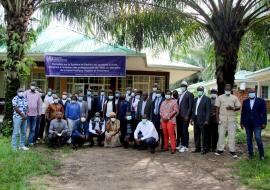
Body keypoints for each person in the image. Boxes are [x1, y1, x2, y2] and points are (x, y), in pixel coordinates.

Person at [241, 89, 267, 160]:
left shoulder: (261, 101)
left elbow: (264, 112)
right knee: (249, 139)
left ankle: (261, 155)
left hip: (257, 123)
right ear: (248, 94)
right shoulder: (245, 102)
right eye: (249, 93)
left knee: (258, 138)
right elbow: (243, 113)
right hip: (247, 123)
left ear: (255, 93)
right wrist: (241, 122)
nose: (251, 94)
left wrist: (264, 123)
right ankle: (251, 154)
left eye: (252, 93)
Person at [215, 84, 241, 158]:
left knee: (232, 135)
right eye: (226, 90)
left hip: (231, 119)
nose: (227, 91)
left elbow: (238, 107)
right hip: (222, 119)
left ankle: (232, 150)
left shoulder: (234, 97)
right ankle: (220, 149)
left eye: (229, 90)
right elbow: (217, 109)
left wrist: (232, 109)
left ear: (231, 90)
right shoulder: (220, 97)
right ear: (224, 90)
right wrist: (217, 119)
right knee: (221, 135)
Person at [191, 86, 211, 155]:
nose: (199, 91)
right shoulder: (195, 99)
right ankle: (197, 148)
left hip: (203, 119)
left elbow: (208, 110)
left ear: (203, 91)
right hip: (196, 118)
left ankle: (205, 148)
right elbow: (194, 110)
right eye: (198, 90)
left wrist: (207, 120)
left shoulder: (207, 99)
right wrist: (192, 118)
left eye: (200, 90)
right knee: (196, 133)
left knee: (204, 134)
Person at [176, 81, 194, 153]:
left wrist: (187, 115)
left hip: (185, 116)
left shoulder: (189, 94)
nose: (182, 87)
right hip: (179, 115)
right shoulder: (180, 94)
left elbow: (190, 106)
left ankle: (186, 146)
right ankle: (182, 144)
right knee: (180, 130)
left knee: (184, 130)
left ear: (186, 87)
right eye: (181, 86)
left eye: (183, 86)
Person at [24, 82, 41, 146]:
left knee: (33, 129)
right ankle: (24, 142)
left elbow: (39, 104)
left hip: (35, 114)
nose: (32, 86)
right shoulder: (26, 93)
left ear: (35, 86)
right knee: (25, 128)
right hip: (27, 114)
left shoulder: (38, 94)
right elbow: (23, 101)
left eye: (34, 85)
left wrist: (39, 113)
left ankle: (30, 142)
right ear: (30, 86)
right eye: (32, 85)